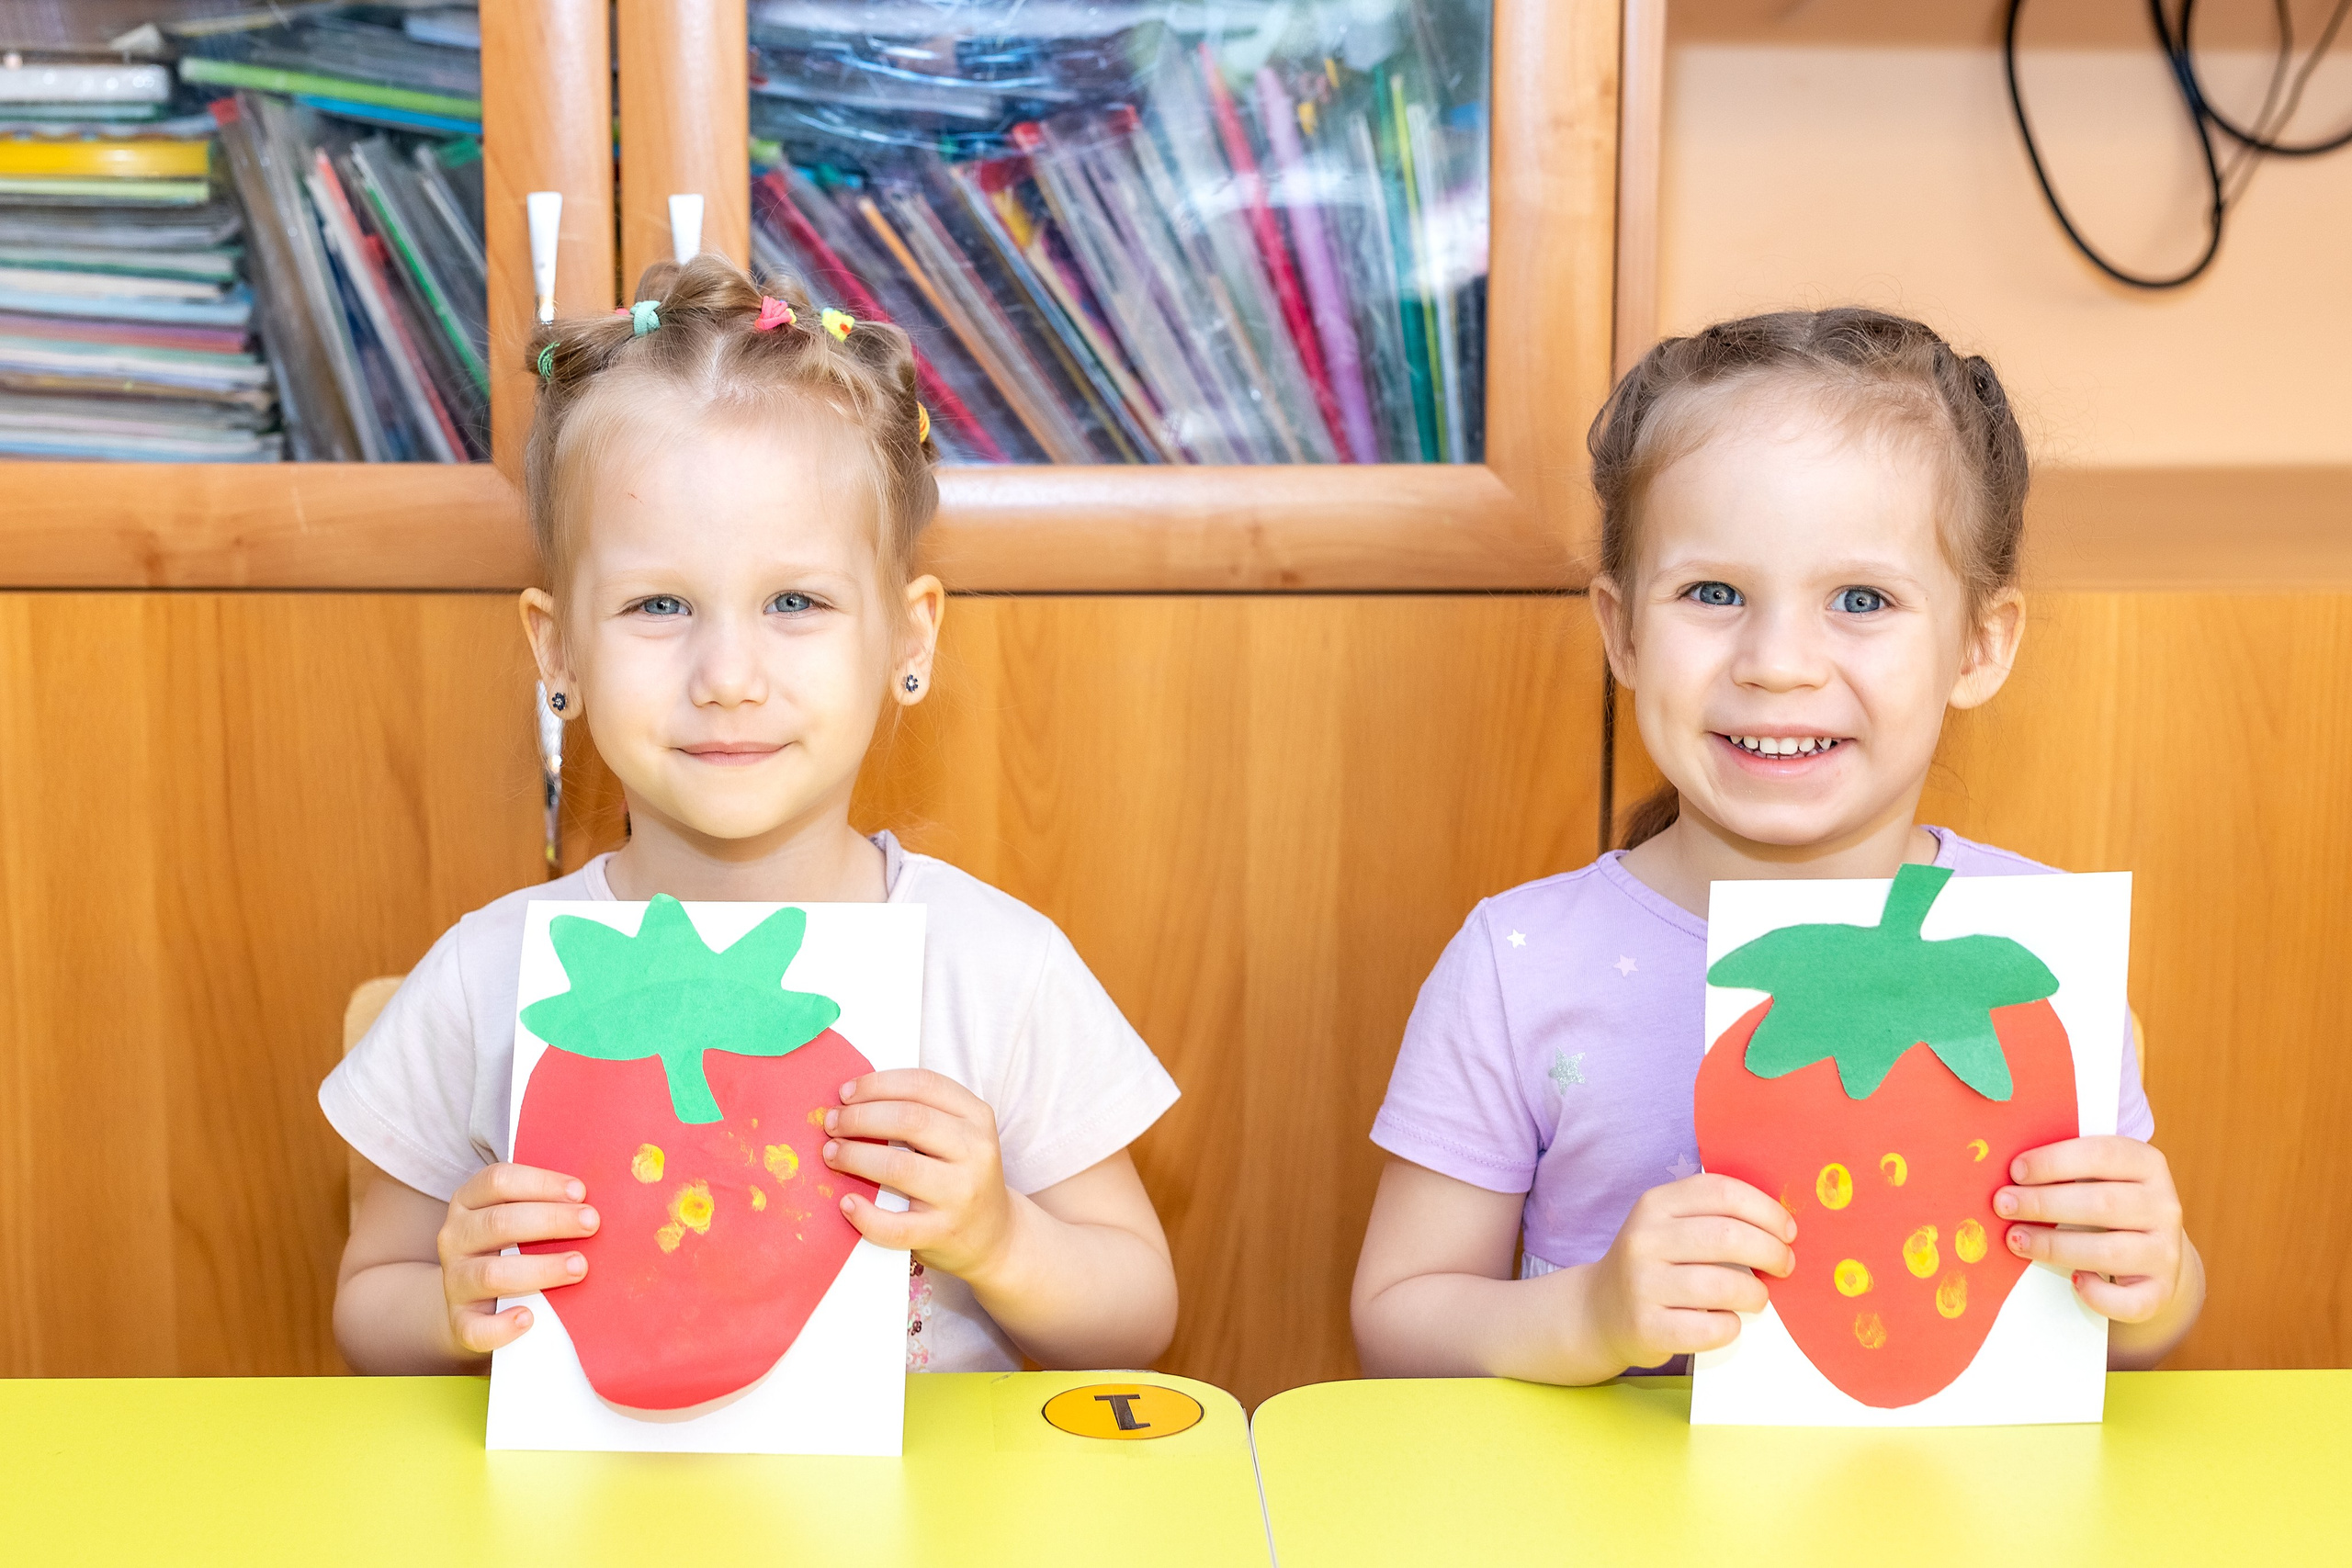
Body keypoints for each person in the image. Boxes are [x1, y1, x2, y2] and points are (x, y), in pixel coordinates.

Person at [326, 256, 1180, 1378]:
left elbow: (1138, 1314)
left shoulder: (998, 970)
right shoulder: (486, 976)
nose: (727, 675)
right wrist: (450, 1301)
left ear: (908, 638)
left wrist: (1002, 1238)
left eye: (794, 602)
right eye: (658, 605)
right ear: (558, 650)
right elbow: (368, 1304)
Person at [1351, 309, 2203, 1383]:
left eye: (1861, 599)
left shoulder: (2031, 960)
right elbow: (1394, 1323)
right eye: (1712, 594)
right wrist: (1588, 1318)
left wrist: (2154, 1281)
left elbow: (2133, 1329)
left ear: (1979, 646)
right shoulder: (1518, 964)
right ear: (1621, 630)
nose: (1778, 662)